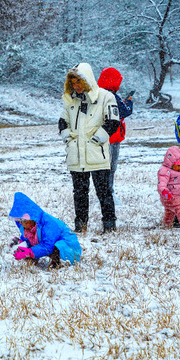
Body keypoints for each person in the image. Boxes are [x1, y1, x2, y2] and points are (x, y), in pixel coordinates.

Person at [59, 63, 120, 234]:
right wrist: (66, 135)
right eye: (73, 82)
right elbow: (63, 119)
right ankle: (80, 226)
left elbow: (113, 121)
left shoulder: (105, 97)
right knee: (79, 192)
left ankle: (109, 226)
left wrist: (98, 138)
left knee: (104, 191)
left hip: (96, 152)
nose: (76, 85)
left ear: (88, 79)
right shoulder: (71, 100)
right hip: (76, 153)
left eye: (79, 81)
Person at [8, 192, 81, 267]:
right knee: (31, 249)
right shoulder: (28, 226)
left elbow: (47, 246)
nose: (23, 224)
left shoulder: (48, 223)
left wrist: (30, 252)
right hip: (52, 245)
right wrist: (21, 244)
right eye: (20, 221)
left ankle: (57, 264)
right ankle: (33, 260)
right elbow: (28, 240)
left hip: (68, 248)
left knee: (57, 247)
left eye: (24, 221)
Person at [97, 67, 133, 195]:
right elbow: (125, 111)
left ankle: (102, 191)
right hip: (113, 137)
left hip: (101, 137)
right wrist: (129, 102)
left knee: (101, 167)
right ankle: (108, 192)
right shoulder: (112, 96)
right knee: (111, 167)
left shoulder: (98, 94)